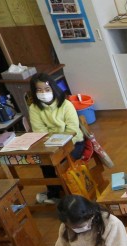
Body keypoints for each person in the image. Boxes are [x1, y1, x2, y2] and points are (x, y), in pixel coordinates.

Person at [28, 73, 84, 204]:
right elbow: (39, 131)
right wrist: (53, 144)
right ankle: (54, 193)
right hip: (50, 145)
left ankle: (70, 192)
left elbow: (72, 130)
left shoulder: (66, 105)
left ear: (53, 88)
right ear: (34, 92)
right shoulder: (34, 108)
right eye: (39, 90)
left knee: (61, 161)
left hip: (74, 142)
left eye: (47, 89)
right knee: (46, 163)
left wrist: (59, 143)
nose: (43, 93)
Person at [53, 195, 127, 246]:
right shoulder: (65, 228)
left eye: (80, 226)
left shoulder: (111, 224)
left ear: (91, 216)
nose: (75, 229)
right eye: (72, 227)